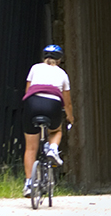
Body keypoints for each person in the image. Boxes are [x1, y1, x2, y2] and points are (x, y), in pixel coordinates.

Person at [21, 44, 76, 198]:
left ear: (44, 57)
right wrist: (70, 118)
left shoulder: (35, 68)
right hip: (52, 105)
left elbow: (28, 91)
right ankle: (53, 148)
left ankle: (29, 184)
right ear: (59, 60)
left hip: (32, 104)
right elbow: (67, 102)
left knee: (30, 148)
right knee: (56, 130)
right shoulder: (63, 74)